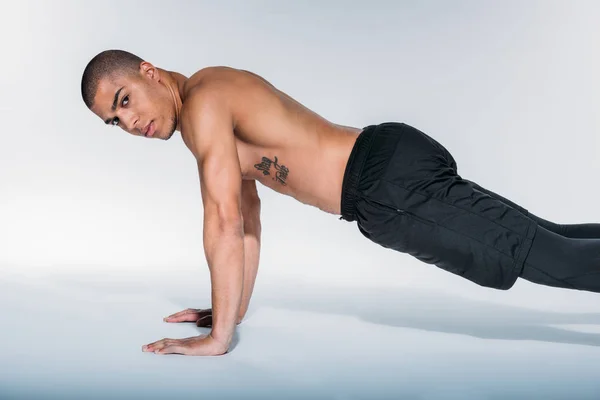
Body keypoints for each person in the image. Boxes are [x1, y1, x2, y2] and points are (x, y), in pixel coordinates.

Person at [80, 49, 600, 356]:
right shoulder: (210, 96)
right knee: (545, 239)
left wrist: (218, 340)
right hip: (390, 163)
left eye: (123, 100)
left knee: (541, 257)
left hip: (386, 187)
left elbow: (223, 219)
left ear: (148, 71)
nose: (128, 124)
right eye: (113, 121)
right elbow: (248, 218)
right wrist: (229, 313)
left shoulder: (201, 106)